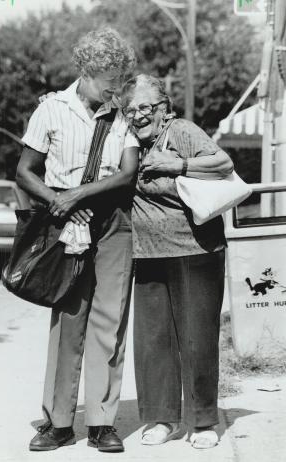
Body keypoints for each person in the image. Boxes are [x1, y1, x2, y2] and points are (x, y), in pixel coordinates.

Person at [16, 28, 139, 453]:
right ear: (88, 69)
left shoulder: (121, 114)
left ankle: (103, 422)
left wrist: (79, 195)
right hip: (64, 223)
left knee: (110, 321)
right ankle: (59, 421)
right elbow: (25, 171)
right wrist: (59, 201)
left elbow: (126, 174)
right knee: (68, 318)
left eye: (121, 75)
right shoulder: (51, 110)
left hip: (112, 223)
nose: (117, 84)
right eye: (110, 75)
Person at [120, 74, 234, 449]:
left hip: (195, 249)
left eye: (145, 108)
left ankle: (203, 422)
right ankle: (161, 419)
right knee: (153, 341)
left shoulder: (181, 132)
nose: (137, 115)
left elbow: (222, 163)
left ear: (164, 109)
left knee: (198, 339)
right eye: (131, 109)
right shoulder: (129, 141)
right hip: (148, 252)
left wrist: (178, 167)